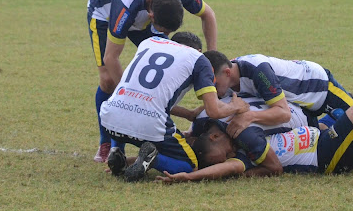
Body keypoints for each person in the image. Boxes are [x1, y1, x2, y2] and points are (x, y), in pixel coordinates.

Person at [155, 88, 353, 183]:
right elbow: (225, 168)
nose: (221, 158)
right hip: (327, 152)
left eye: (215, 154)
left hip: (332, 145)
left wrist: (180, 114)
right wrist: (189, 177)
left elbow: (200, 121)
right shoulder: (245, 155)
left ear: (214, 136)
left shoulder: (240, 135)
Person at [87, 0, 218, 162]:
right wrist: (130, 95)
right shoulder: (123, 8)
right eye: (163, 30)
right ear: (150, 16)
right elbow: (110, 58)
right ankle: (109, 144)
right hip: (104, 10)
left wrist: (211, 61)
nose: (165, 36)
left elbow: (208, 15)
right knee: (107, 80)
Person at [99, 30, 248, 182]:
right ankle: (153, 158)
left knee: (129, 106)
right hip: (147, 123)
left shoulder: (150, 43)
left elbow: (149, 98)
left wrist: (188, 114)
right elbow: (214, 110)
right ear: (198, 51)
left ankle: (117, 153)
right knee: (191, 166)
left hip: (108, 119)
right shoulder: (198, 58)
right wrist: (236, 106)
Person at [202, 51, 353, 139]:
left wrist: (249, 117)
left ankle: (347, 103)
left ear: (227, 73)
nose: (211, 89)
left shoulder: (258, 71)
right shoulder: (226, 80)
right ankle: (331, 118)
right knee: (325, 132)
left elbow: (283, 113)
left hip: (318, 87)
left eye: (213, 84)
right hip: (296, 104)